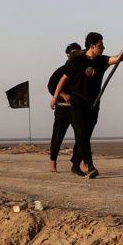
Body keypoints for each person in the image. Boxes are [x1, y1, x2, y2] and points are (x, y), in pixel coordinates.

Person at [52, 33, 123, 178]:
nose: (103, 47)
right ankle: (89, 166)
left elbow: (118, 58)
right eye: (101, 45)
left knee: (85, 135)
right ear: (92, 46)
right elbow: (63, 79)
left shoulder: (101, 61)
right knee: (81, 133)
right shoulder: (76, 61)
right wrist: (55, 97)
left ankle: (76, 165)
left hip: (94, 103)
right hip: (78, 102)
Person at [47, 42, 82, 172]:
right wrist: (62, 94)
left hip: (77, 109)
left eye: (78, 53)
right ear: (68, 54)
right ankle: (53, 162)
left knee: (82, 136)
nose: (76, 55)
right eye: (73, 53)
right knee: (57, 136)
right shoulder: (61, 70)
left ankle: (77, 162)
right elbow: (51, 85)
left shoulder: (82, 71)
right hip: (62, 108)